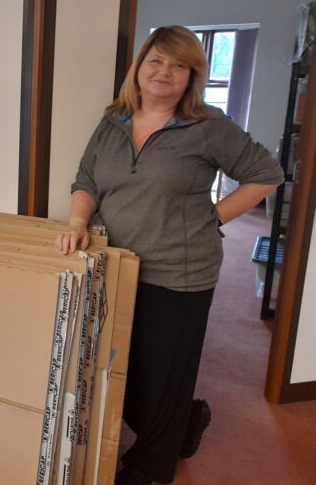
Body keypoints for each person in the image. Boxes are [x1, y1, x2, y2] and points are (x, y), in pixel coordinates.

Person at [55, 26, 283, 485]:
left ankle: (149, 466)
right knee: (123, 364)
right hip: (117, 265)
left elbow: (267, 174)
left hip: (179, 271)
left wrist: (212, 218)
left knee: (163, 374)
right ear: (139, 67)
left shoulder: (208, 126)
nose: (165, 72)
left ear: (192, 76)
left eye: (179, 65)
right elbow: (87, 180)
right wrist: (78, 221)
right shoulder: (113, 121)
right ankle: (188, 417)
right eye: (156, 61)